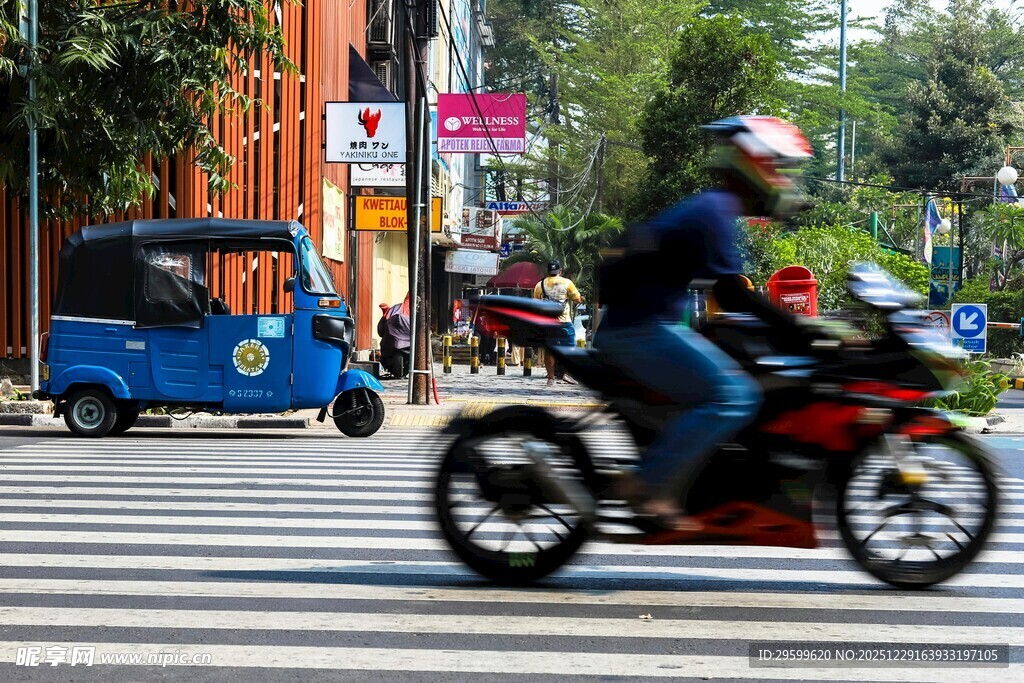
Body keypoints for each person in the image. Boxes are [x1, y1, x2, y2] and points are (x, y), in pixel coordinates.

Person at [597, 115, 814, 531]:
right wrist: (803, 330)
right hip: (639, 330)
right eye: (779, 168)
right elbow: (733, 292)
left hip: (648, 324)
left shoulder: (715, 209)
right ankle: (648, 486)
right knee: (733, 396)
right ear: (757, 164)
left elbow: (729, 294)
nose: (784, 181)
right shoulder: (713, 210)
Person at [533, 260, 583, 386]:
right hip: (564, 322)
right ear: (560, 271)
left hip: (547, 323)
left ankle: (551, 378)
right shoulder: (567, 283)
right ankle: (566, 375)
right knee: (570, 349)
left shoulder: (540, 285)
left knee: (549, 351)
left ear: (548, 271)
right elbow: (577, 299)